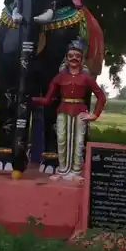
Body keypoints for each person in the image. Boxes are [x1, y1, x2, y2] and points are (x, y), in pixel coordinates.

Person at [31, 39, 107, 181]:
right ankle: (62, 169)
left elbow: (101, 96)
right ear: (66, 58)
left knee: (78, 142)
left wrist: (94, 115)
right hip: (63, 110)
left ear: (82, 59)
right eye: (70, 55)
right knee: (61, 139)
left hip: (80, 111)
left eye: (77, 56)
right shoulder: (60, 77)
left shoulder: (86, 78)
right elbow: (48, 99)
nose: (74, 58)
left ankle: (76, 171)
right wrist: (30, 99)